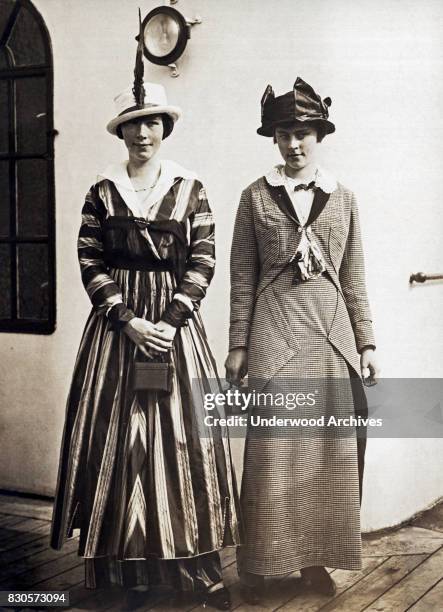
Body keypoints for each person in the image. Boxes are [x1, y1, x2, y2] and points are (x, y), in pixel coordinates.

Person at [50, 79, 240, 611]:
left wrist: (173, 320)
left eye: (153, 122)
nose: (144, 133)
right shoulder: (101, 191)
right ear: (122, 132)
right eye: (134, 123)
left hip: (176, 335)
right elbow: (90, 262)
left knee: (185, 444)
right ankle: (125, 576)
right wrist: (128, 320)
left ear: (166, 128)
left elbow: (203, 259)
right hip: (117, 336)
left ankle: (196, 572)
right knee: (118, 442)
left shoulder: (190, 187)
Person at [225, 77, 379, 602]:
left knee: (327, 455)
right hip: (273, 337)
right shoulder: (253, 198)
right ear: (273, 139)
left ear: (320, 136)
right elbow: (242, 276)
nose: (294, 144)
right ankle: (261, 567)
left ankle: (315, 563)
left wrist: (368, 344)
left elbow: (354, 277)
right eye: (285, 134)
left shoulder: (345, 198)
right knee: (274, 455)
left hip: (331, 341)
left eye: (304, 133)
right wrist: (238, 345)